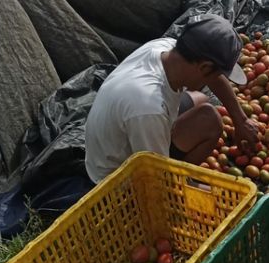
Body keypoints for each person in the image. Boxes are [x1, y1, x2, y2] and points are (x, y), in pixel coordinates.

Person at [84, 14, 259, 183]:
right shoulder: (148, 108)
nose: (215, 80)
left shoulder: (166, 48)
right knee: (210, 122)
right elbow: (156, 179)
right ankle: (184, 179)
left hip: (121, 129)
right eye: (216, 73)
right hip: (116, 175)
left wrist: (240, 120)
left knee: (201, 101)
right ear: (205, 68)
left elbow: (215, 77)